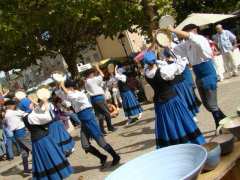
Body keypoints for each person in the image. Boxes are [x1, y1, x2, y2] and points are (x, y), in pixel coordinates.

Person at [143, 51, 205, 148]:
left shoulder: (146, 72)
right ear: (155, 61)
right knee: (181, 121)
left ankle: (174, 147)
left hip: (160, 106)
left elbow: (152, 66)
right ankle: (192, 144)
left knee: (168, 126)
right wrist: (175, 55)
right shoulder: (163, 71)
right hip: (172, 101)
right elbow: (180, 66)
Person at [169, 24, 226, 128]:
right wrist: (163, 37)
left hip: (207, 72)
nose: (185, 33)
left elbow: (191, 36)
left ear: (194, 30)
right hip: (198, 74)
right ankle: (225, 120)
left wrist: (173, 30)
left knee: (211, 103)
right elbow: (172, 49)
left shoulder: (200, 38)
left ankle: (219, 125)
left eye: (187, 31)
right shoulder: (187, 43)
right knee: (207, 104)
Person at [60, 79, 120, 167]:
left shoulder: (79, 94)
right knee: (85, 145)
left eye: (67, 88)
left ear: (71, 87)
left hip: (89, 118)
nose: (66, 90)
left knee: (101, 142)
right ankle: (102, 157)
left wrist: (62, 86)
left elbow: (69, 95)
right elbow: (65, 98)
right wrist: (60, 86)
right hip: (83, 120)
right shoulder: (72, 94)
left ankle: (116, 156)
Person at [25, 97, 73, 180]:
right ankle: (55, 175)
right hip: (43, 139)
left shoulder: (28, 114)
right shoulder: (31, 116)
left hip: (38, 139)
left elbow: (38, 111)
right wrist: (46, 106)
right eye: (30, 103)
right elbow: (48, 117)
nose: (32, 104)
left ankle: (52, 175)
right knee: (51, 157)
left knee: (46, 160)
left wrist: (42, 103)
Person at [162, 48, 199, 119]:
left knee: (185, 100)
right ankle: (191, 116)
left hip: (179, 84)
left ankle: (191, 116)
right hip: (178, 84)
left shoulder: (172, 63)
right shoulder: (166, 64)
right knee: (184, 100)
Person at [85, 65, 116, 134]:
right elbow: (102, 75)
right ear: (90, 74)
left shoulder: (86, 81)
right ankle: (110, 127)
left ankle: (102, 130)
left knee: (100, 115)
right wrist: (98, 68)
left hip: (93, 99)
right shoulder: (92, 80)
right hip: (99, 98)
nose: (93, 74)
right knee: (107, 113)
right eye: (92, 73)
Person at [4, 100, 32, 175]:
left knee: (24, 153)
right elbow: (26, 113)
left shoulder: (7, 114)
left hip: (16, 134)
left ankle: (26, 170)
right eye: (14, 105)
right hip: (22, 133)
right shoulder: (13, 113)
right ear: (11, 105)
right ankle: (39, 167)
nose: (15, 106)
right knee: (34, 149)